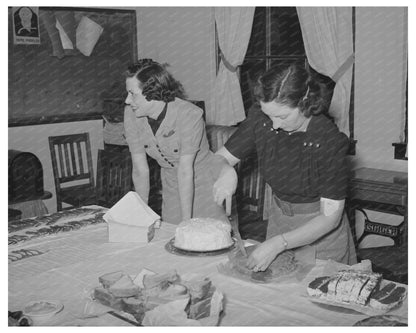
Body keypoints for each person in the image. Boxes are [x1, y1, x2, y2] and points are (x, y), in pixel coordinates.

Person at [213, 62, 357, 271]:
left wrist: (279, 243)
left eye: (282, 116)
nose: (274, 125)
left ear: (305, 102)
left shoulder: (328, 141)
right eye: (269, 115)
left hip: (320, 234)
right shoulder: (262, 119)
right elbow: (219, 158)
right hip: (279, 221)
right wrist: (226, 170)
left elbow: (329, 218)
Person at [124, 58, 228, 224]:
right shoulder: (131, 114)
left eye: (132, 94)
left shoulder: (189, 115)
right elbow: (140, 170)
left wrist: (186, 221)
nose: (127, 100)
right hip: (171, 181)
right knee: (171, 234)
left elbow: (186, 170)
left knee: (207, 236)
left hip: (201, 180)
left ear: (152, 93)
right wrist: (141, 214)